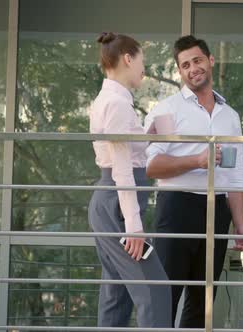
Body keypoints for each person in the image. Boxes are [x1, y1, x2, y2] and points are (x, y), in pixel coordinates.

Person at [144, 35, 243, 328]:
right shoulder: (167, 109)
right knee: (165, 297)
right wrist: (197, 160)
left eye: (198, 61)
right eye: (185, 65)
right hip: (176, 207)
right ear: (180, 71)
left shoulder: (230, 116)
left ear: (211, 61)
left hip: (217, 211)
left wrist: (240, 225)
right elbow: (152, 165)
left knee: (203, 301)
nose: (193, 69)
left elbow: (236, 173)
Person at [88, 32, 171, 328]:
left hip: (113, 201)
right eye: (141, 62)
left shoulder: (113, 100)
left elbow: (126, 153)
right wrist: (134, 225)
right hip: (118, 203)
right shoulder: (116, 103)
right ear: (127, 58)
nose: (143, 69)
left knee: (116, 292)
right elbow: (121, 166)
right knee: (155, 288)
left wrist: (149, 137)